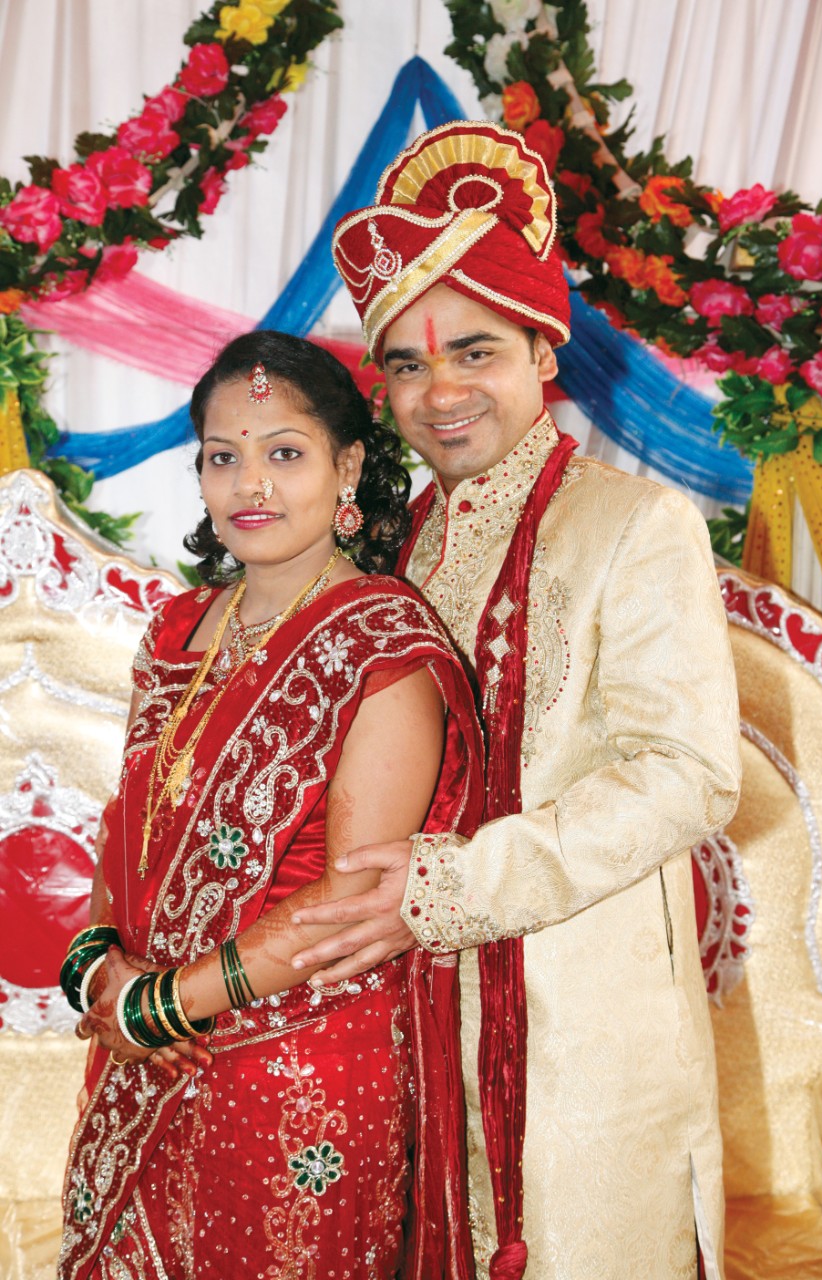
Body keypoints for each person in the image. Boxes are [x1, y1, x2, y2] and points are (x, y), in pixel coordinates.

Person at [288, 122, 742, 1279]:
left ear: (543, 352)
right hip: (412, 1025)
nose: (440, 391)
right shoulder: (400, 545)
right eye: (404, 364)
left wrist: (456, 883)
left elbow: (688, 774)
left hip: (579, 1039)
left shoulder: (636, 525)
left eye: (474, 352)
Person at [58, 331, 485, 1280]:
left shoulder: (383, 646)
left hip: (296, 1065)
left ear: (349, 468)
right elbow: (127, 830)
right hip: (149, 1049)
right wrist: (100, 972)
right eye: (223, 456)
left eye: (284, 453)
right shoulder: (181, 625)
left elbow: (350, 899)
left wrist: (161, 1004)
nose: (250, 484)